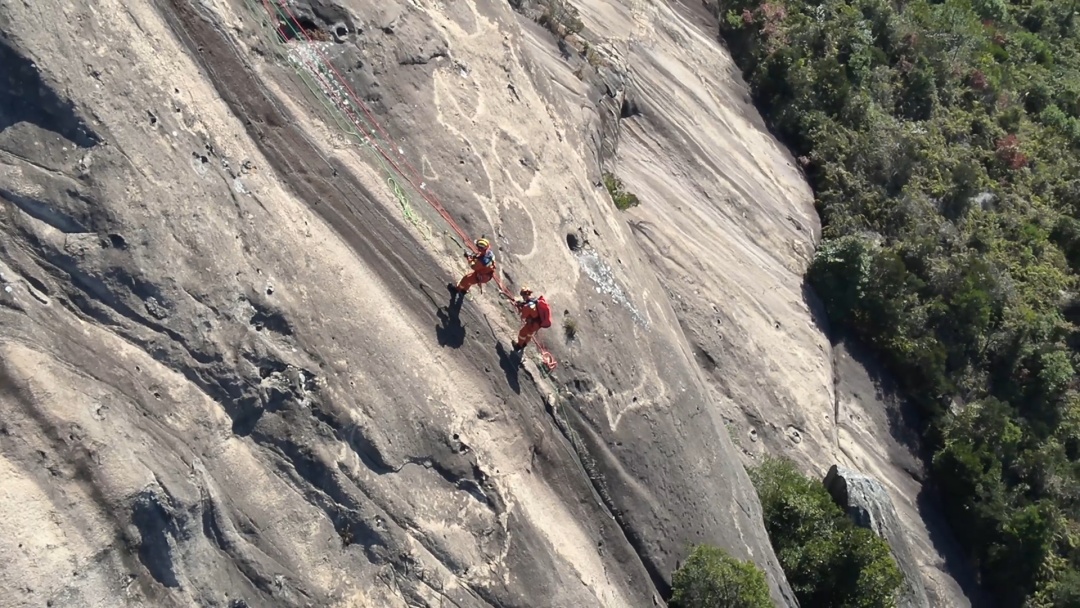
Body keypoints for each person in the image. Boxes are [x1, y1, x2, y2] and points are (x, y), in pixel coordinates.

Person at [512, 287, 545, 352]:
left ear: (523, 295)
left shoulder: (527, 306)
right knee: (529, 333)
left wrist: (520, 308)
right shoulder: (535, 300)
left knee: (522, 333)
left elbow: (523, 316)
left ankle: (518, 346)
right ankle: (524, 344)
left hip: (532, 324)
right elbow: (533, 309)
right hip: (538, 323)